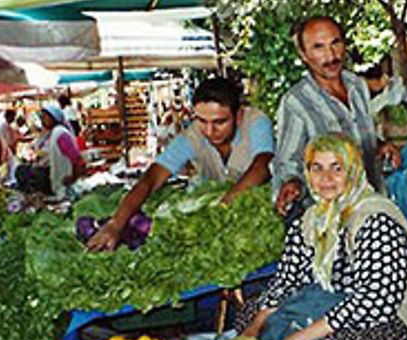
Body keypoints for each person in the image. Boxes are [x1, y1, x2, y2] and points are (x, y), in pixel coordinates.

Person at [237, 132, 407, 340]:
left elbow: (375, 301)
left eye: (337, 168)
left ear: (354, 171)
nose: (326, 179)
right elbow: (288, 280)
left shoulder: (375, 218)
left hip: (396, 317)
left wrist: (301, 337)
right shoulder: (312, 219)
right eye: (317, 168)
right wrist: (253, 329)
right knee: (250, 313)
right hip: (332, 303)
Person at [86, 79, 274, 251]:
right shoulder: (192, 136)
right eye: (201, 120)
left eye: (219, 122)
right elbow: (151, 179)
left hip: (259, 217)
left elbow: (262, 167)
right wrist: (115, 224)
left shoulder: (256, 123)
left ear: (238, 115)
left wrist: (220, 210)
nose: (209, 131)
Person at [272, 16, 400, 217]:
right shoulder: (296, 102)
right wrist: (292, 184)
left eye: (335, 43)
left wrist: (380, 146)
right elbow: (288, 162)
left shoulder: (356, 86)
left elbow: (361, 136)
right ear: (304, 54)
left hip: (372, 204)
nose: (331, 56)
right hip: (332, 218)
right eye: (318, 47)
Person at [14, 104, 85, 198]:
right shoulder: (48, 134)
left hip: (61, 178)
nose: (42, 119)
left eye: (45, 116)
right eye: (42, 117)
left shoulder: (60, 133)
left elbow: (77, 159)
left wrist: (73, 177)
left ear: (54, 117)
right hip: (52, 177)